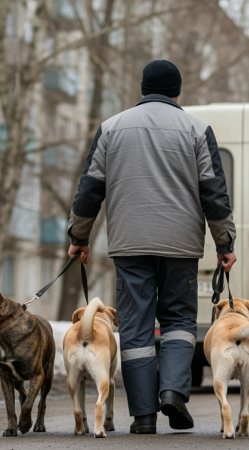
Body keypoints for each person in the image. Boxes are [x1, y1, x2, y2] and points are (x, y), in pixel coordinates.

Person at [66, 59, 237, 434]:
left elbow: (90, 188)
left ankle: (143, 416)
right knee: (177, 322)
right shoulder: (196, 129)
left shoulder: (111, 128)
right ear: (178, 92)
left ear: (143, 89)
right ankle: (173, 391)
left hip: (130, 245)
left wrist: (79, 237)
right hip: (181, 246)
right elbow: (214, 191)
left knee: (137, 329)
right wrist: (224, 242)